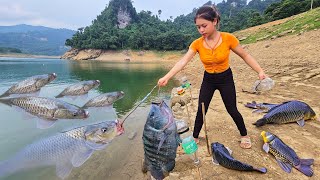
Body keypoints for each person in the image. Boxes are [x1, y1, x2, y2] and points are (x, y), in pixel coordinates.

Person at [157, 5, 267, 149]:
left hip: (225, 78)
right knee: (202, 108)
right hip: (208, 79)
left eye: (204, 25)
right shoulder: (197, 44)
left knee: (232, 109)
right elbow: (183, 61)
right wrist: (167, 76)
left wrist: (259, 71)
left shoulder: (228, 39)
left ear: (214, 21)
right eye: (198, 27)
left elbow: (245, 55)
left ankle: (244, 135)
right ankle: (195, 136)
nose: (201, 30)